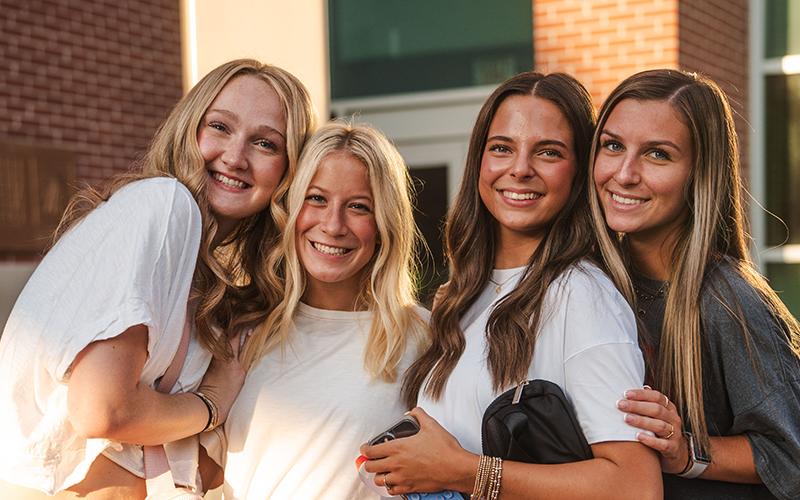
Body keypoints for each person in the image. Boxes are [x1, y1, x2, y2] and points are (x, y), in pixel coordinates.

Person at [0, 59, 317, 499]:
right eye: (220, 127)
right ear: (190, 128)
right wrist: (211, 404)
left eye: (264, 143)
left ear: (289, 170)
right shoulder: (165, 204)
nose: (235, 156)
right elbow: (102, 411)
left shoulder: (199, 271)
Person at [360, 72, 662, 499]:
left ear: (579, 172)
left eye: (549, 152)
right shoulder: (465, 295)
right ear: (479, 160)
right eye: (502, 148)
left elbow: (635, 487)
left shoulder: (581, 294)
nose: (519, 169)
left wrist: (464, 472)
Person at [591, 69, 800, 499]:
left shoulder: (729, 301)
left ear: (699, 173)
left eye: (658, 155)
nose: (625, 173)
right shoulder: (593, 284)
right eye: (612, 146)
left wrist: (686, 450)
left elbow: (790, 457)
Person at [199, 120, 430, 499]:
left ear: (386, 221)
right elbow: (203, 471)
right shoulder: (240, 326)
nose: (333, 225)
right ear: (290, 207)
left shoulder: (424, 338)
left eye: (358, 206)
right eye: (317, 198)